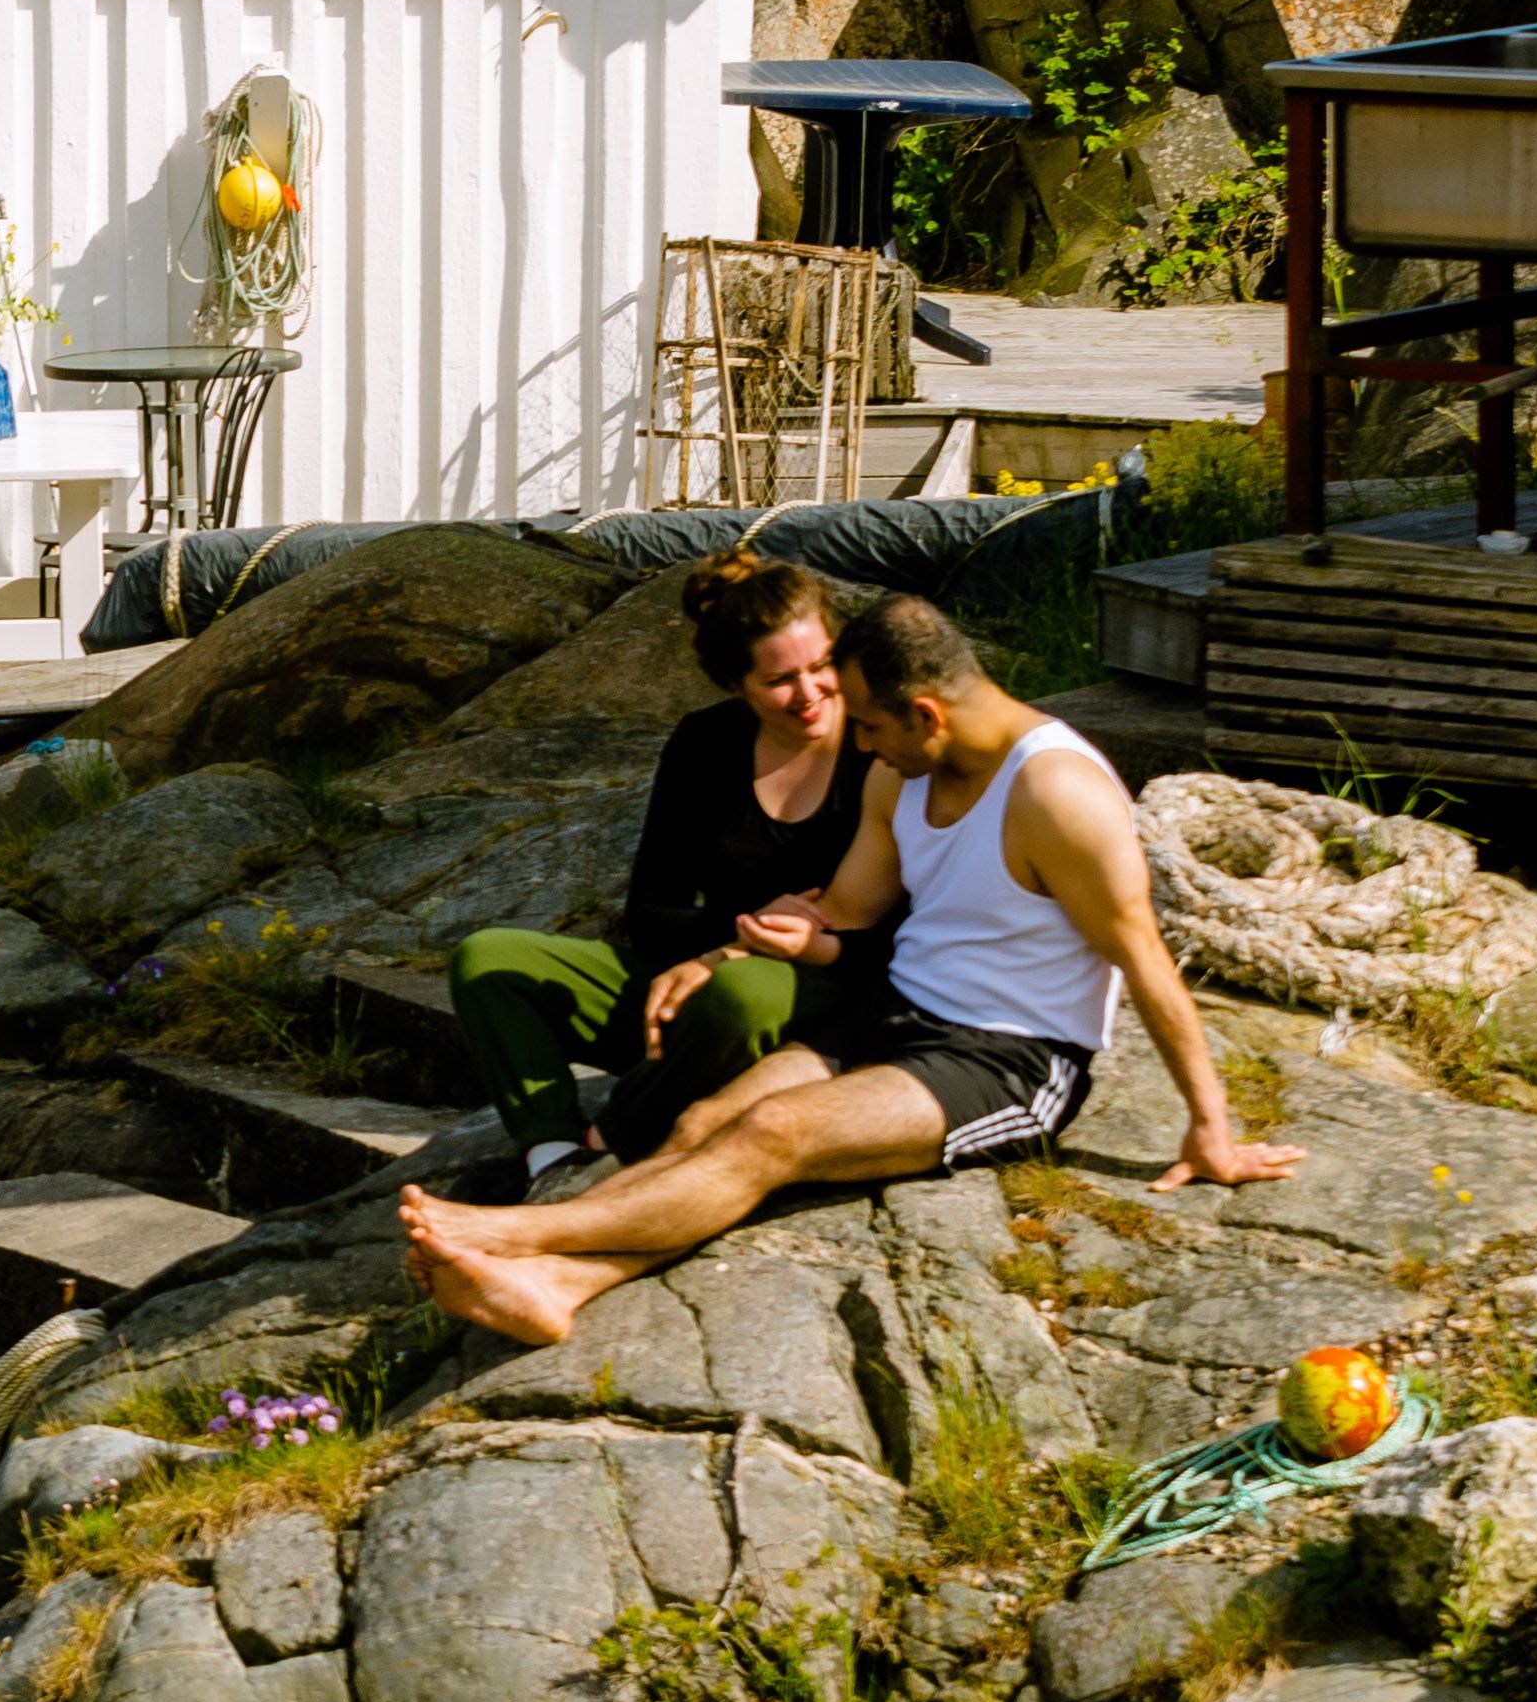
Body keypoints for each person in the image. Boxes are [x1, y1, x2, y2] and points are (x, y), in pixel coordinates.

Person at [398, 589, 1291, 1346]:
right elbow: (848, 908)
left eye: (866, 722)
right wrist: (716, 956)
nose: (855, 742)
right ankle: (561, 1286)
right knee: (707, 1120)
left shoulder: (1058, 795)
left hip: (1007, 1059)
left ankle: (519, 1232)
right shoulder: (899, 774)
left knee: (772, 1135)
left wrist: (1209, 1128)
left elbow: (1145, 962)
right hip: (891, 1013)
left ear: (926, 713)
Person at [439, 551, 882, 1200]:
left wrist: (751, 954)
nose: (810, 693)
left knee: (743, 997)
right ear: (737, 686)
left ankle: (613, 1141)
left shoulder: (881, 749)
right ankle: (552, 1156)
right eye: (780, 680)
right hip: (695, 977)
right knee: (488, 959)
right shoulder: (705, 743)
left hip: (821, 983)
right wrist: (723, 943)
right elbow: (650, 906)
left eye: (822, 666)